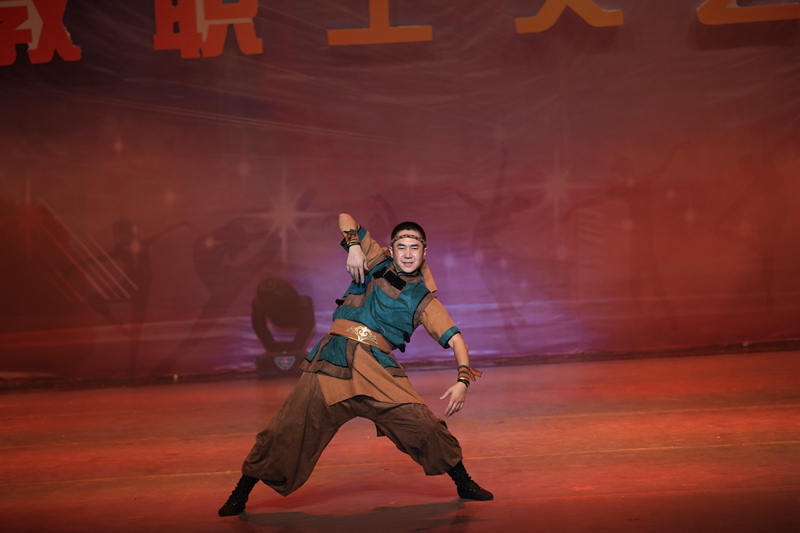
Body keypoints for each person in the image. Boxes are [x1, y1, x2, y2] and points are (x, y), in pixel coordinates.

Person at [218, 213, 493, 516]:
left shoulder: (424, 299)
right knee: (285, 428)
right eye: (401, 246)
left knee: (424, 425)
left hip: (377, 371)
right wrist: (354, 246)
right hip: (332, 362)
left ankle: (463, 482)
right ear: (391, 249)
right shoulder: (374, 260)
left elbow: (456, 341)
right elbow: (344, 218)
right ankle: (240, 492)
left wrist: (463, 381)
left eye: (414, 247)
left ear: (424, 252)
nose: (407, 253)